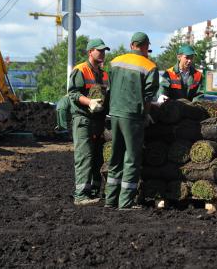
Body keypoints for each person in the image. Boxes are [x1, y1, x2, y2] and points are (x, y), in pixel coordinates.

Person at [105, 32, 159, 210]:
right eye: (148, 48)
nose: (148, 51)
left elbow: (109, 88)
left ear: (131, 44)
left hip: (115, 113)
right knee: (132, 158)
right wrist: (146, 114)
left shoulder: (115, 62)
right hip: (133, 116)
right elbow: (148, 96)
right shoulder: (149, 66)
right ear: (144, 46)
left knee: (116, 156)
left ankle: (110, 200)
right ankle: (126, 202)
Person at [68, 38, 110, 206]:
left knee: (97, 158)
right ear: (90, 51)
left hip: (98, 120)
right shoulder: (81, 70)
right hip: (83, 119)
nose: (103, 53)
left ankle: (93, 191)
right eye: (99, 50)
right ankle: (80, 195)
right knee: (84, 156)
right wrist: (89, 102)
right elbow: (73, 93)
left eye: (104, 50)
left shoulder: (104, 73)